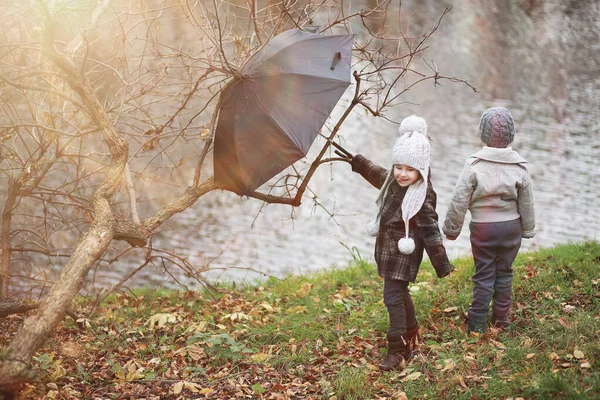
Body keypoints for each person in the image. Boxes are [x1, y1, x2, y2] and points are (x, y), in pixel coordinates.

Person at [343, 115, 455, 371]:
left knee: (391, 297)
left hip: (403, 256)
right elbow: (378, 174)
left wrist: (442, 262)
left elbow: (430, 229)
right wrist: (359, 163)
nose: (402, 174)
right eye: (399, 167)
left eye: (410, 169)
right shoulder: (394, 181)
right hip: (388, 253)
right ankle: (412, 329)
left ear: (421, 171)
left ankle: (399, 349)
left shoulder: (421, 196)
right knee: (399, 293)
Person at [443, 107, 536, 333]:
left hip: (483, 228)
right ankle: (501, 321)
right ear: (510, 136)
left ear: (483, 135)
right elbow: (527, 202)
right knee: (504, 272)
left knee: (484, 273)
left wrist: (451, 229)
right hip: (511, 227)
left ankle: (476, 325)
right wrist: (528, 229)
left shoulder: (474, 165)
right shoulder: (519, 167)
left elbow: (459, 199)